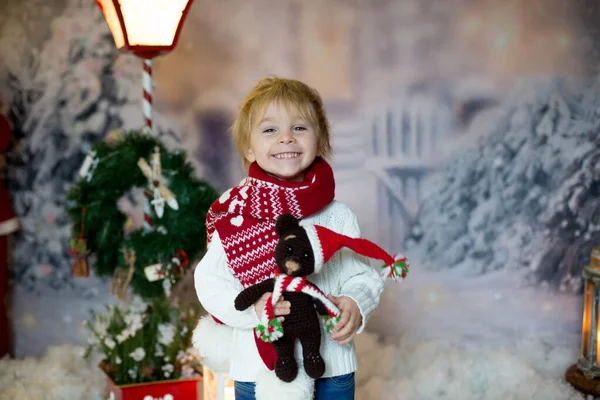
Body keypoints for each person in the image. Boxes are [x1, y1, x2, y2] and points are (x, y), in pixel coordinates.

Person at [194, 77, 384, 400]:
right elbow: (210, 282)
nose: (286, 138)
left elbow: (360, 275)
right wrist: (254, 308)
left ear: (320, 140)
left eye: (299, 128)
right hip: (257, 369)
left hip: (330, 366)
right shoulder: (236, 212)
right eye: (270, 130)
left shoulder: (337, 215)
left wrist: (355, 302)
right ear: (249, 148)